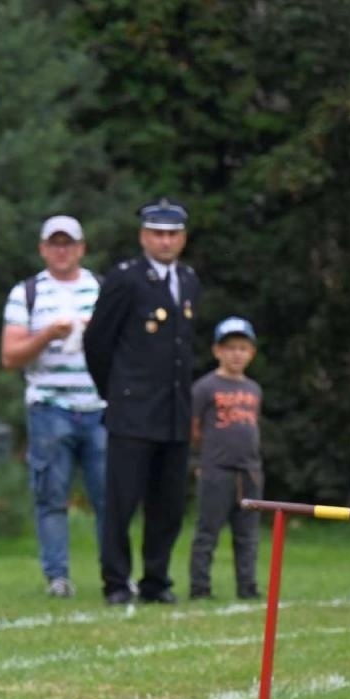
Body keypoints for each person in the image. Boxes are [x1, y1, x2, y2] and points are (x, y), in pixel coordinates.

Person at [83, 197, 201, 606]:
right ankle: (116, 581)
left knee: (167, 505)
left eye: (172, 234)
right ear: (143, 236)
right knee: (122, 502)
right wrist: (115, 391)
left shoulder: (187, 279)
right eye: (157, 233)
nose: (165, 241)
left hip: (174, 411)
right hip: (132, 411)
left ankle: (156, 578)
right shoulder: (125, 279)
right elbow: (97, 342)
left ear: (182, 237)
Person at [0, 215, 106, 599]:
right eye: (54, 243)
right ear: (43, 248)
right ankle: (57, 577)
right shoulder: (25, 293)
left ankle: (114, 574)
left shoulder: (102, 289)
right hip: (49, 407)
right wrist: (47, 334)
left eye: (69, 243)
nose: (62, 250)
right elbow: (10, 356)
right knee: (51, 495)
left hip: (100, 407)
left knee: (110, 496)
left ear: (81, 247)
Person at [188, 317, 263, 601]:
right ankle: (200, 587)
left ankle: (248, 586)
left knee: (248, 534)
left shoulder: (254, 389)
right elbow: (194, 429)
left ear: (251, 353)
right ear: (217, 351)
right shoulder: (205, 387)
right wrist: (200, 461)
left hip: (250, 471)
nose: (236, 354)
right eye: (230, 347)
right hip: (216, 470)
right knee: (207, 531)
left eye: (243, 348)